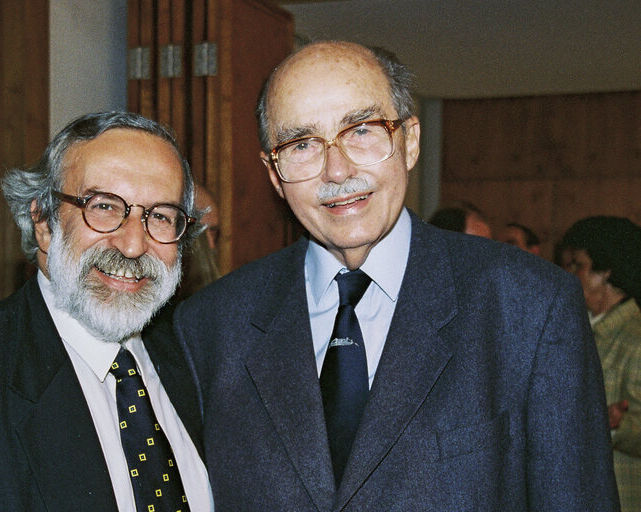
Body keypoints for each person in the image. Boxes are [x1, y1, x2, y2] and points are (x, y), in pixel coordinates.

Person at [173, 41, 618, 511]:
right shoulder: (212, 326)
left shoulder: (528, 306)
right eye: (302, 144)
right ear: (274, 174)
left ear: (409, 141)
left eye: (361, 130)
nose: (338, 169)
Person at [0, 112, 213, 511]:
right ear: (44, 223)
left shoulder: (198, 361)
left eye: (159, 215)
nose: (133, 244)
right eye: (103, 206)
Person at [560, 216, 641, 511]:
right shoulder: (576, 330)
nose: (568, 274)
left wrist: (617, 426)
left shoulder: (635, 339)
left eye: (577, 265)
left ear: (606, 271)